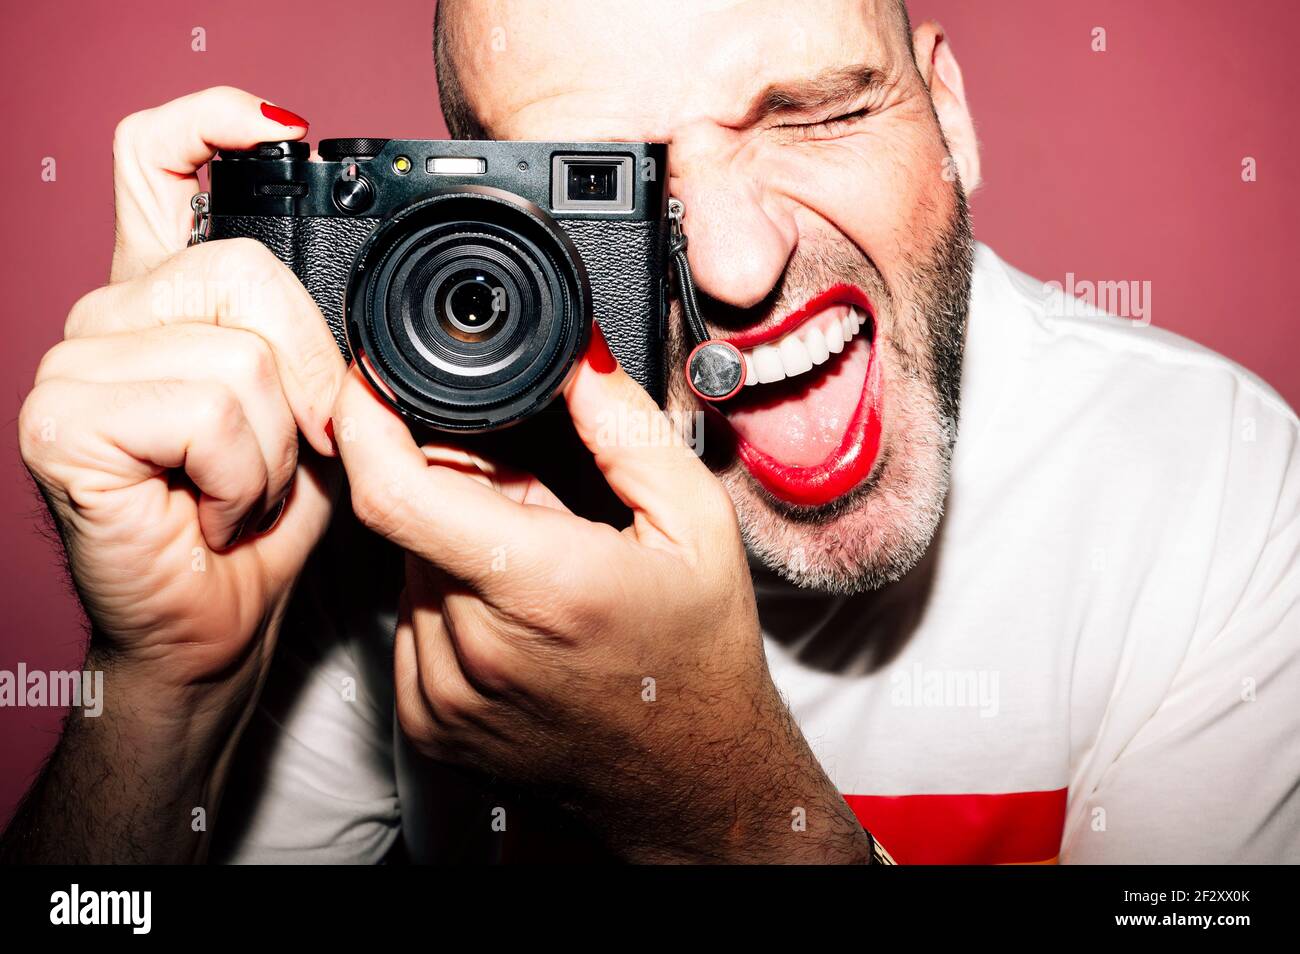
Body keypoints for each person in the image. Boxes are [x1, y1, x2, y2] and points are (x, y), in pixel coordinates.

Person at [5, 0, 1298, 864]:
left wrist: (725, 810)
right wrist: (169, 683)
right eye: (607, 185)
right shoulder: (399, 495)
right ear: (481, 220)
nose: (735, 267)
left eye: (813, 114)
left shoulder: (1215, 488)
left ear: (948, 112)